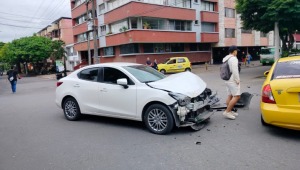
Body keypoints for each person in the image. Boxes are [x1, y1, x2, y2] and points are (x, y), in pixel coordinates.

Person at [222, 46, 241, 120]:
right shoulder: (233, 59)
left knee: (230, 95)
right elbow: (235, 70)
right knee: (237, 96)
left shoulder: (225, 58)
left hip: (227, 79)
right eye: (236, 51)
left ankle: (229, 111)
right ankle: (227, 111)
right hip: (232, 80)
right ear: (234, 51)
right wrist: (237, 80)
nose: (237, 52)